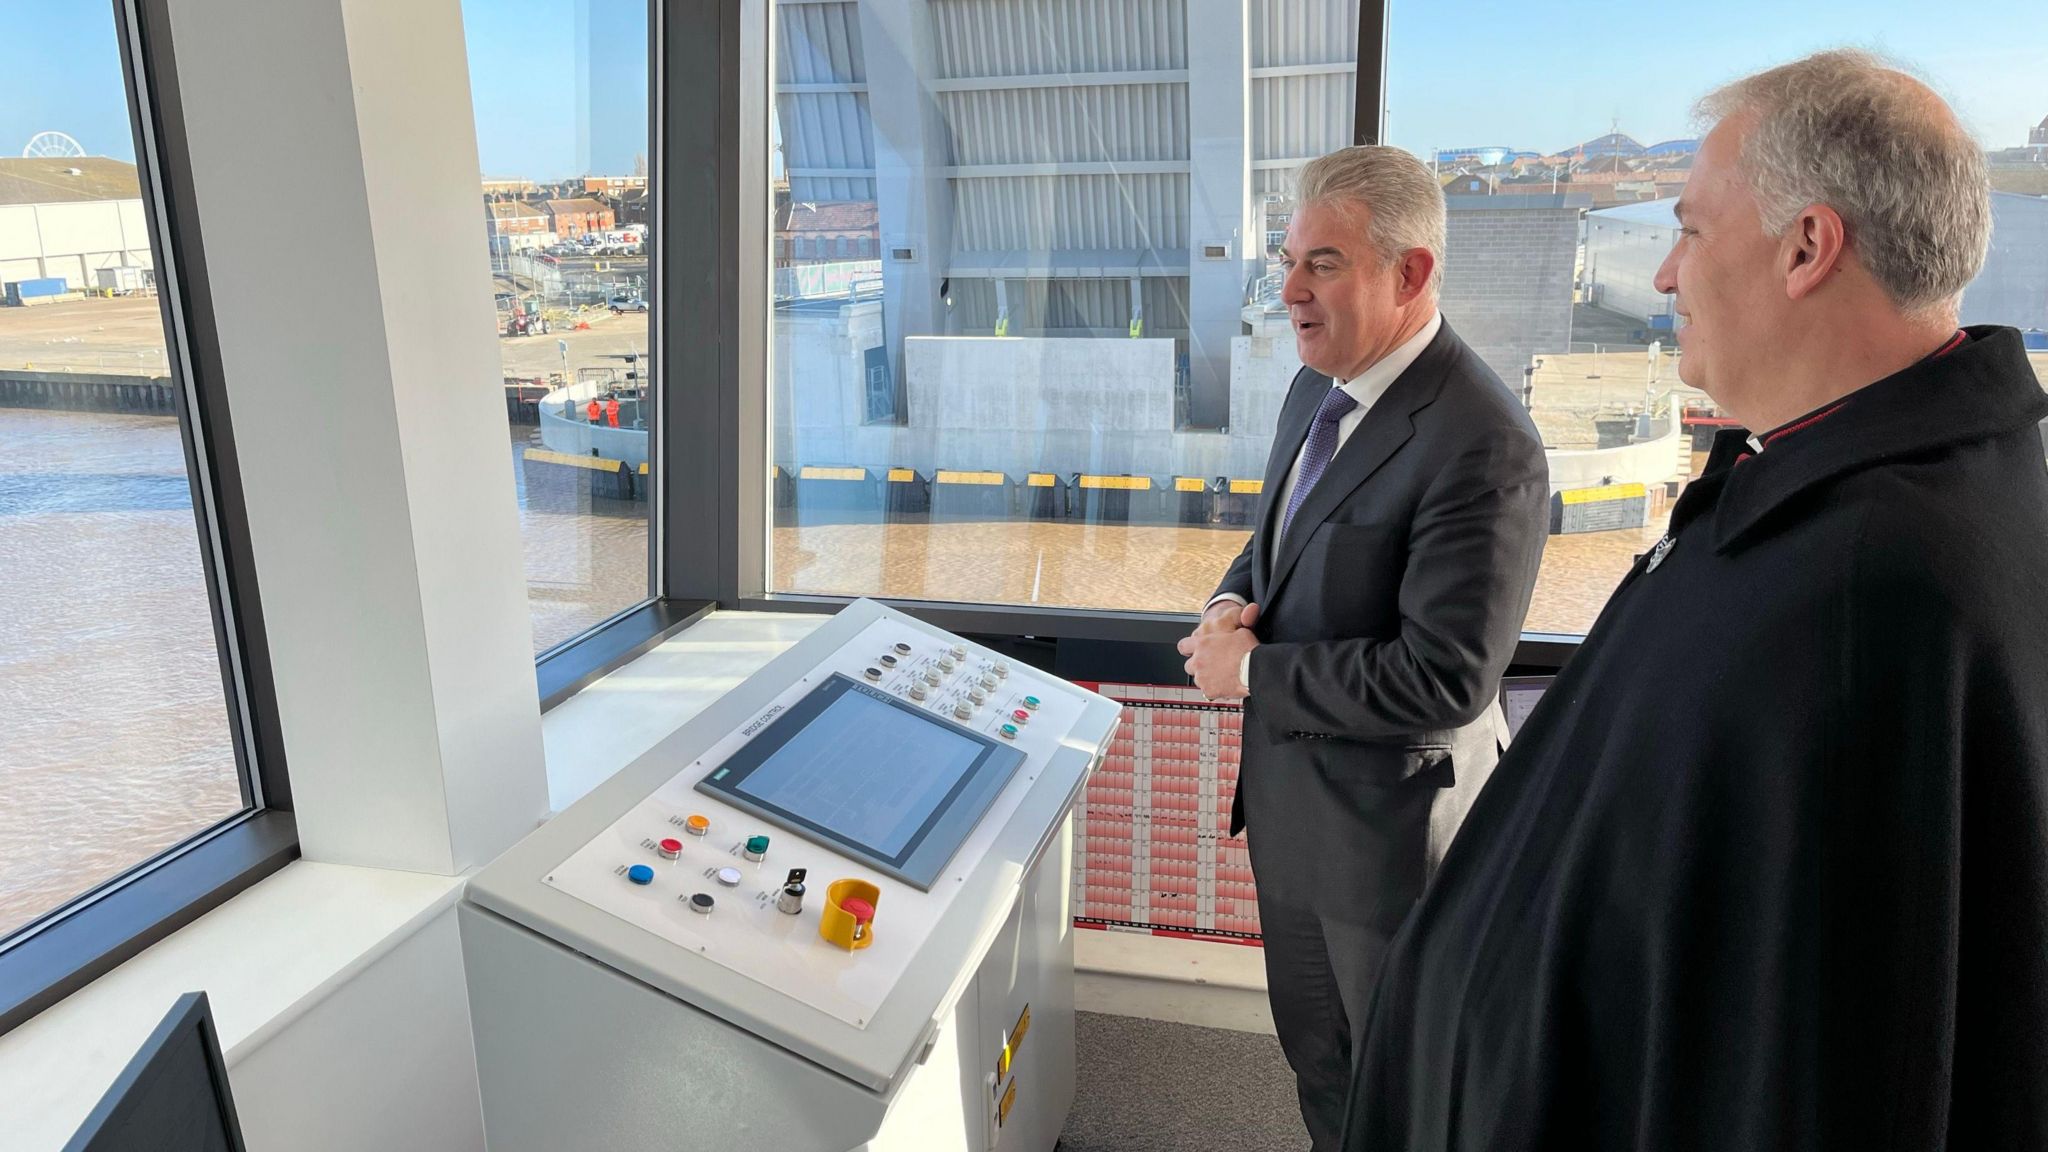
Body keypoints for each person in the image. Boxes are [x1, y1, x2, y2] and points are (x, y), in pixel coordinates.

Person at [1344, 50, 2048, 1151]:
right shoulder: (1828, 498)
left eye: (1688, 230)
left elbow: (1804, 1063)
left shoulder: (1875, 592)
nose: (1664, 278)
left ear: (1806, 248)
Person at [1175, 145, 1549, 1151]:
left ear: (1411, 272)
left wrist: (1248, 670)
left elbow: (1444, 677)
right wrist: (1226, 606)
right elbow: (1275, 555)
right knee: (1321, 1066)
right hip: (1296, 821)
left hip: (1393, 848)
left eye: (1322, 265)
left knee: (1408, 1092)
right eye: (1287, 260)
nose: (1288, 291)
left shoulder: (1485, 445)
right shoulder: (1315, 388)